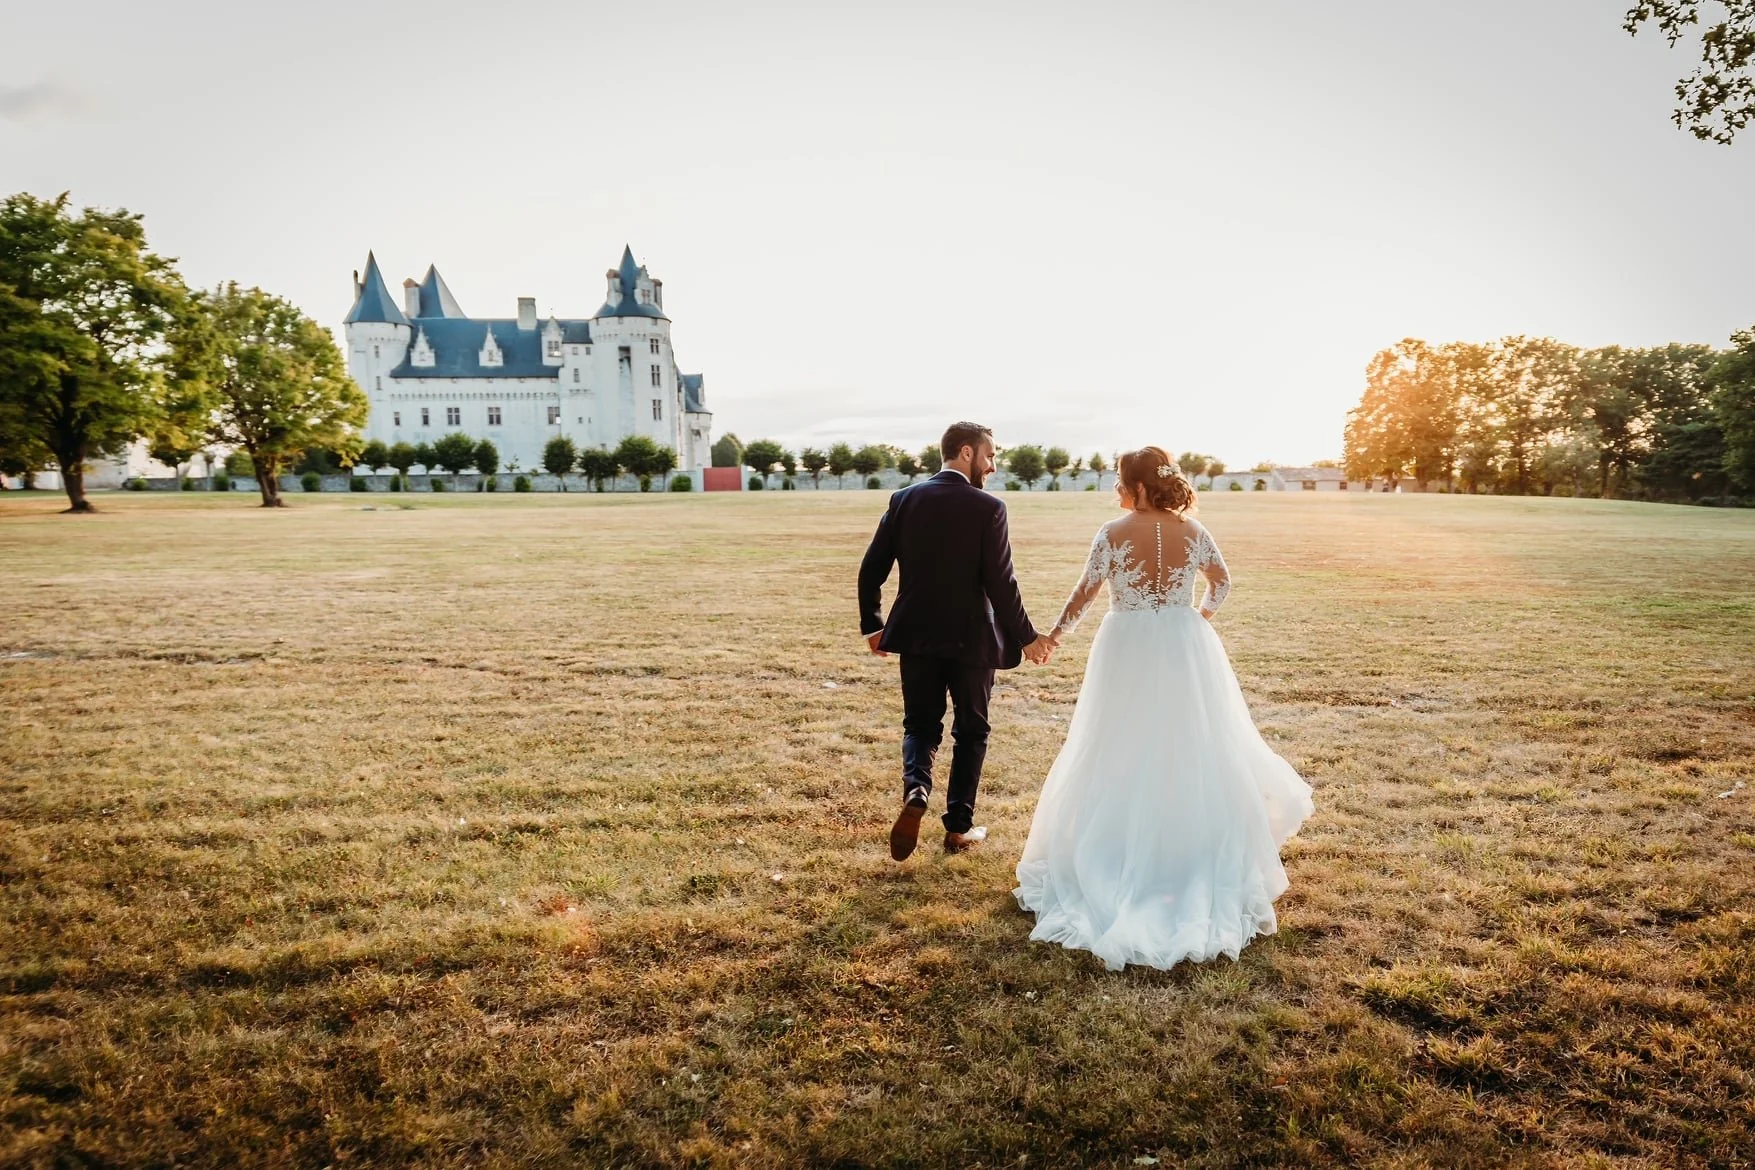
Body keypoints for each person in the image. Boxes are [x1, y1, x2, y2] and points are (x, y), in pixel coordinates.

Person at [1014, 445, 1314, 970]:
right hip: (1183, 643)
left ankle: (1119, 855)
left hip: (1126, 642)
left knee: (1117, 742)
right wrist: (1197, 618)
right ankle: (1184, 853)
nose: (1115, 488)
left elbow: (1086, 592)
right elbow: (1222, 581)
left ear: (1135, 484)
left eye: (1118, 479)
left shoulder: (1112, 532)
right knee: (1190, 742)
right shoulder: (1194, 532)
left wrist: (1055, 635)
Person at [858, 421, 1053, 861]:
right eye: (991, 455)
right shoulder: (989, 508)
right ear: (967, 453)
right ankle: (959, 829)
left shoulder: (904, 499)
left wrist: (873, 624)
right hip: (972, 640)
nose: (994, 465)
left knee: (920, 725)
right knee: (972, 730)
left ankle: (917, 789)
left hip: (916, 635)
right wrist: (1027, 638)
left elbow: (872, 568)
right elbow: (1001, 583)